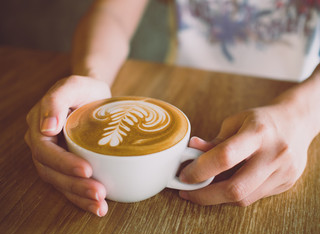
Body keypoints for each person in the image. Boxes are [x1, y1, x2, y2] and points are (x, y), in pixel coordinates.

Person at [25, 0, 320, 217]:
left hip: (296, 97)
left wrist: (303, 113)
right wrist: (92, 77)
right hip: (176, 89)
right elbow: (113, 12)